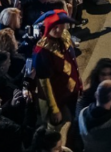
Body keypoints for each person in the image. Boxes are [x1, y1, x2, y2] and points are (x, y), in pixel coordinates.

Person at [32, 10, 83, 140]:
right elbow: (45, 83)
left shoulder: (65, 36)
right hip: (57, 97)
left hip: (71, 91)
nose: (59, 29)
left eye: (61, 25)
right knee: (54, 134)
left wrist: (79, 83)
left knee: (75, 123)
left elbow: (72, 62)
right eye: (55, 27)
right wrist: (54, 108)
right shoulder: (42, 52)